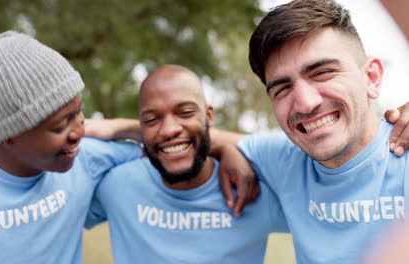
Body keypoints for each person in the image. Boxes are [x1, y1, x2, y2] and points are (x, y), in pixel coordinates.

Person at [0, 31, 258, 263]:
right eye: (59, 126)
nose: (78, 131)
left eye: (78, 113)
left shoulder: (88, 160)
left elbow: (175, 146)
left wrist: (226, 150)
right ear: (8, 135)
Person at [236, 0, 409, 263]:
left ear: (371, 78)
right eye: (282, 89)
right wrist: (230, 154)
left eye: (323, 72)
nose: (305, 102)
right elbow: (214, 138)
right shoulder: (283, 160)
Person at [84, 64, 288, 264]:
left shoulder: (253, 190)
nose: (169, 130)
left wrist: (231, 149)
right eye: (152, 119)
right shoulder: (117, 185)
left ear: (208, 117)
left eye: (185, 112)